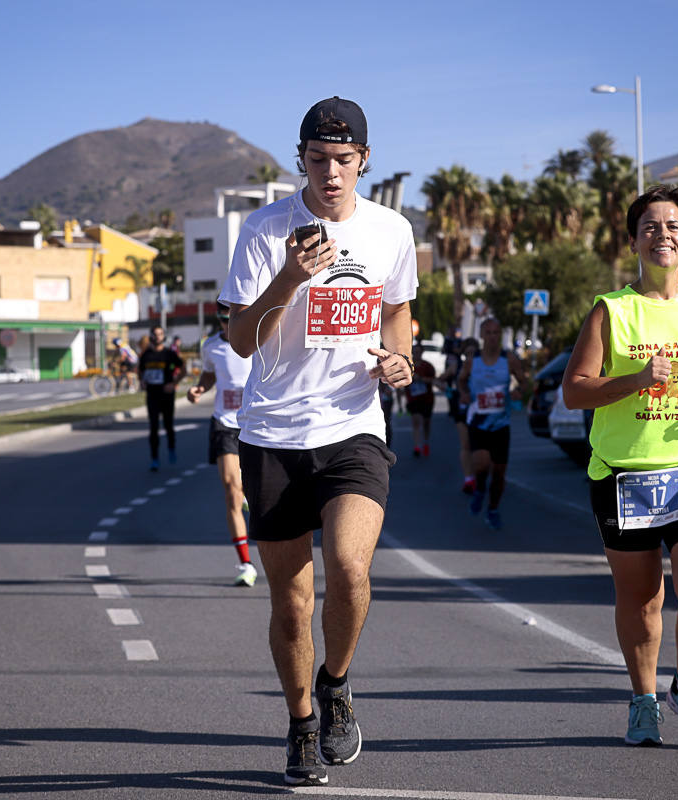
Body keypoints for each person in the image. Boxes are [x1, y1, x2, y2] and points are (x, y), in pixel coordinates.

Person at [222, 96, 417, 787]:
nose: (330, 172)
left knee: (351, 569)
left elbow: (398, 312)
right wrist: (288, 275)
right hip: (273, 430)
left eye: (343, 159)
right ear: (299, 158)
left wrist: (401, 360)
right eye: (317, 159)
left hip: (353, 425)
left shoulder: (392, 230)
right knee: (292, 602)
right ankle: (302, 722)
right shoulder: (263, 229)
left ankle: (336, 683)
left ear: (364, 160)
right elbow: (240, 340)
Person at [562, 185, 678, 747]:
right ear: (635, 240)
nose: (663, 234)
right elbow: (574, 392)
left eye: (673, 226)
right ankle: (642, 701)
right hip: (623, 473)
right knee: (642, 598)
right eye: (651, 227)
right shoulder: (611, 311)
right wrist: (636, 381)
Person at [187, 301, 258, 587]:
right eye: (222, 321)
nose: (227, 327)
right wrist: (199, 388)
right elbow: (209, 374)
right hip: (225, 424)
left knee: (254, 491)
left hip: (256, 424)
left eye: (232, 319)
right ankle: (245, 563)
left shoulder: (259, 339)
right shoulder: (211, 347)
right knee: (231, 488)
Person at [458, 318, 527, 529]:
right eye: (488, 333)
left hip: (500, 423)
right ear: (481, 335)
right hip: (478, 421)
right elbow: (461, 380)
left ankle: (493, 508)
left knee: (498, 473)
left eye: (496, 333)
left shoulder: (510, 360)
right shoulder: (472, 360)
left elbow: (524, 382)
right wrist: (464, 394)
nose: (492, 337)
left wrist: (519, 392)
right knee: (481, 463)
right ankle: (480, 489)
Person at [138, 325, 184, 471]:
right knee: (153, 427)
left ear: (163, 337)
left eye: (160, 334)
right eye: (155, 334)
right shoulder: (146, 355)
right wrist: (142, 381)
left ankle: (171, 448)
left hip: (167, 395)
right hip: (152, 395)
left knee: (168, 425)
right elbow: (140, 371)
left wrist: (174, 383)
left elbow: (183, 369)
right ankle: (154, 459)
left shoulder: (169, 354)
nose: (157, 337)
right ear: (151, 336)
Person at [442, 336, 478, 493]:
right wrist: (448, 390)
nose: (470, 356)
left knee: (479, 446)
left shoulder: (484, 366)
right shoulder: (457, 366)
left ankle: (479, 476)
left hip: (480, 410)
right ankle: (468, 479)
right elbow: (440, 379)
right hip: (461, 408)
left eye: (474, 353)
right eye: (467, 353)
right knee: (466, 444)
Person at [406, 342, 436, 457]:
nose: (416, 354)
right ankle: (417, 446)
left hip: (427, 399)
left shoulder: (428, 366)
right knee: (416, 421)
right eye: (415, 352)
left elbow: (433, 380)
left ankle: (426, 443)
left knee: (426, 422)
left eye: (419, 352)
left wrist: (421, 379)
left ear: (422, 352)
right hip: (413, 399)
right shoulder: (408, 366)